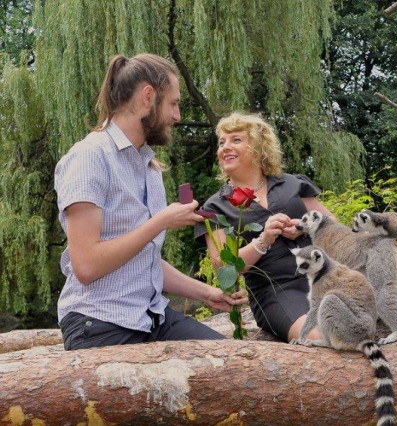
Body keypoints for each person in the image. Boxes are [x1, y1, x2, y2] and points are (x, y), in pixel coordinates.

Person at [54, 53, 247, 350]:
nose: (178, 116)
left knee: (231, 363)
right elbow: (87, 265)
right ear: (148, 97)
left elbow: (144, 259)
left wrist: (206, 293)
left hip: (151, 316)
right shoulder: (89, 157)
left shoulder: (149, 169)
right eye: (173, 103)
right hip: (100, 322)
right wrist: (161, 221)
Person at [195, 112, 334, 343]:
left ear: (259, 147)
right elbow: (224, 267)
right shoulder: (215, 206)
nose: (225, 147)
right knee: (320, 336)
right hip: (278, 292)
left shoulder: (292, 183)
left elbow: (334, 227)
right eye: (222, 143)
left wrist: (304, 227)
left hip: (326, 275)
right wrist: (263, 240)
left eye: (236, 140)